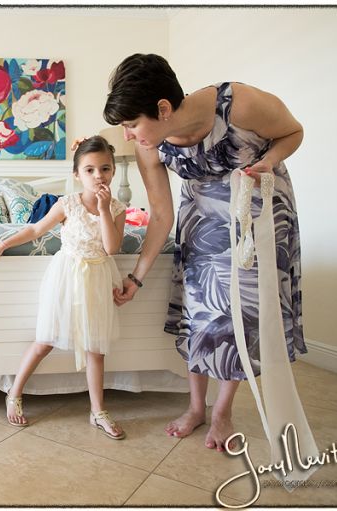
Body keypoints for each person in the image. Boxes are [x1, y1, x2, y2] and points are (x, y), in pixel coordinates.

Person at [102, 53, 307, 452]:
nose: (127, 135)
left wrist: (268, 161)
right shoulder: (151, 142)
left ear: (163, 108)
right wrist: (137, 276)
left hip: (256, 215)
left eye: (131, 124)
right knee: (200, 314)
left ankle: (221, 412)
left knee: (239, 318)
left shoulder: (240, 103)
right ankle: (196, 407)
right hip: (202, 223)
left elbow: (293, 132)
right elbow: (160, 213)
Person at [0, 136, 127, 439]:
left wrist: (105, 209)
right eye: (90, 170)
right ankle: (14, 393)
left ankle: (98, 411)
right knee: (45, 341)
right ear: (77, 174)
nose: (98, 176)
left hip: (96, 278)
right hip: (67, 278)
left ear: (112, 172)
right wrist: (2, 245)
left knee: (95, 349)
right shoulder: (67, 204)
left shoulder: (118, 208)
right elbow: (35, 229)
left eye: (105, 169)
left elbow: (111, 248)